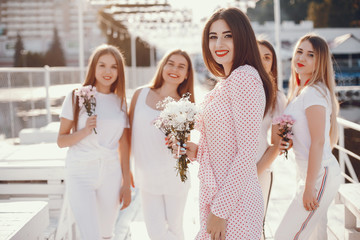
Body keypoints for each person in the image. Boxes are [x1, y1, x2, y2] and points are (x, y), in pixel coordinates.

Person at [174, 8, 275, 239]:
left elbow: (247, 152)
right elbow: (227, 146)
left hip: (234, 204)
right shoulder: (227, 81)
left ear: (242, 37)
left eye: (227, 35)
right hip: (221, 196)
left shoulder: (245, 77)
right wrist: (198, 152)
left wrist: (220, 211)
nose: (219, 43)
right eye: (213, 36)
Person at [57, 44, 132, 240]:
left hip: (110, 172)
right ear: (94, 67)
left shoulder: (121, 101)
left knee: (107, 234)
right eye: (102, 65)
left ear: (119, 71)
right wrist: (85, 131)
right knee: (90, 235)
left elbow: (124, 145)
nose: (108, 71)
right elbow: (61, 141)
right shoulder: (76, 96)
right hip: (81, 172)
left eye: (114, 67)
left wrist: (126, 183)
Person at [274, 33, 341, 240]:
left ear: (319, 61)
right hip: (308, 174)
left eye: (310, 55)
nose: (301, 58)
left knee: (285, 236)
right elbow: (305, 136)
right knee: (313, 236)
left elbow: (319, 141)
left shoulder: (313, 93)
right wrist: (290, 141)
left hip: (319, 175)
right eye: (299, 52)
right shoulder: (302, 93)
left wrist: (310, 187)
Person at [129, 49, 195, 240]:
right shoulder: (140, 94)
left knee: (175, 229)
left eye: (181, 66)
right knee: (155, 232)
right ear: (163, 66)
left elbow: (185, 143)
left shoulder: (185, 105)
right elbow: (127, 133)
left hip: (174, 177)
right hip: (147, 176)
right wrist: (127, 170)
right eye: (171, 63)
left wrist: (177, 144)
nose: (175, 69)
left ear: (186, 75)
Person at [256, 39, 287, 240]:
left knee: (256, 228)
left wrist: (252, 174)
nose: (262, 60)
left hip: (260, 169)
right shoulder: (232, 88)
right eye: (257, 55)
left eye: (267, 57)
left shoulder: (277, 97)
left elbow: (277, 144)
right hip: (230, 170)